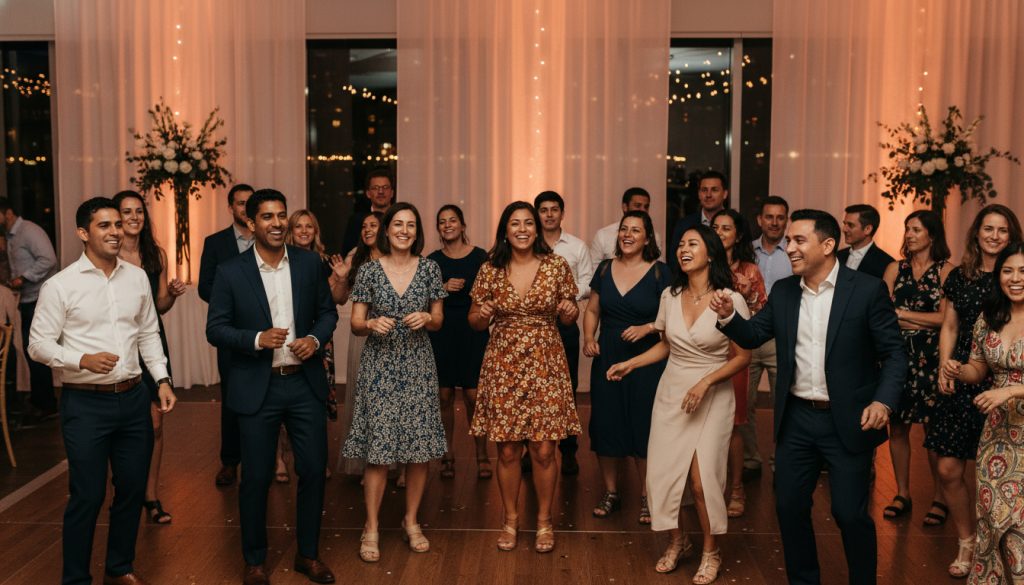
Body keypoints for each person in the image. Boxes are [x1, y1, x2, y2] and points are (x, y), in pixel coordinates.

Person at [710, 209, 906, 585]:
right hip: (797, 418)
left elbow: (894, 353)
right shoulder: (784, 292)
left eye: (799, 240)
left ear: (828, 245)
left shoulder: (865, 290)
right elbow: (751, 336)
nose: (789, 248)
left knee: (850, 513)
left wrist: (883, 402)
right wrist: (727, 317)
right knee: (789, 506)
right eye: (788, 242)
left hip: (848, 418)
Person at [29, 197, 177, 585]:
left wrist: (161, 380)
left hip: (132, 399)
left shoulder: (137, 277)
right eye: (104, 226)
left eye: (117, 224)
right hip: (85, 405)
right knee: (88, 495)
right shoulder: (60, 286)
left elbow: (148, 334)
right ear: (83, 233)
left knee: (130, 490)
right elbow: (38, 345)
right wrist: (81, 360)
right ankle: (76, 579)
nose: (115, 231)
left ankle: (120, 566)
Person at [206, 189, 339, 585]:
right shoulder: (231, 271)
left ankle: (308, 556)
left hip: (303, 383)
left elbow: (328, 313)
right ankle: (255, 561)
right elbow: (215, 329)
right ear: (251, 224)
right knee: (257, 477)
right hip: (257, 387)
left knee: (314, 470)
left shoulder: (308, 264)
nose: (278, 223)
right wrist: (255, 339)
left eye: (282, 215)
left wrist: (314, 340)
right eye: (267, 217)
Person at [607, 224, 749, 584]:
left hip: (711, 394)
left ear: (711, 253)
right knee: (664, 475)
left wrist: (705, 382)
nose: (684, 249)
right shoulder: (671, 295)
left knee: (703, 484)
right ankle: (678, 540)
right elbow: (669, 344)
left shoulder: (730, 298)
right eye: (680, 245)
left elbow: (742, 356)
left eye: (693, 244)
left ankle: (710, 550)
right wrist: (632, 363)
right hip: (672, 392)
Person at [469, 201, 581, 554]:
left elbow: (570, 315)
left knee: (545, 449)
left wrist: (569, 310)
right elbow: (473, 320)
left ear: (537, 229)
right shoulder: (490, 269)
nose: (522, 229)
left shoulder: (556, 266)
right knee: (507, 449)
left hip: (546, 362)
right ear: (505, 230)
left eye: (528, 223)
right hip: (503, 364)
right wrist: (482, 313)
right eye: (514, 223)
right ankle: (511, 520)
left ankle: (545, 521)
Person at [343, 202, 447, 563]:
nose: (404, 230)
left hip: (418, 365)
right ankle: (370, 526)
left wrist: (426, 318)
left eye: (411, 225)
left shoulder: (431, 268)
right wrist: (371, 324)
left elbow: (438, 319)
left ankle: (411, 520)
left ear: (417, 233)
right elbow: (355, 322)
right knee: (379, 451)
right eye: (398, 224)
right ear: (386, 231)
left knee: (418, 451)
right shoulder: (370, 271)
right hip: (380, 367)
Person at [933, 204, 1021, 577]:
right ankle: (973, 546)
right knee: (977, 489)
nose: (1014, 278)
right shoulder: (987, 311)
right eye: (988, 228)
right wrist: (951, 366)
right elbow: (955, 333)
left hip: (1005, 399)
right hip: (987, 401)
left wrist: (1010, 390)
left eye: (1003, 230)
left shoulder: (1011, 278)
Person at [582, 210, 667, 525]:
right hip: (608, 357)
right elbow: (592, 310)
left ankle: (648, 495)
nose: (628, 235)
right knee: (606, 423)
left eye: (636, 230)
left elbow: (671, 321)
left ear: (648, 238)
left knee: (645, 426)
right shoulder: (604, 270)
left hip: (647, 359)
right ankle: (611, 492)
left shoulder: (661, 274)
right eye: (623, 229)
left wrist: (647, 328)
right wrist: (589, 336)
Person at [112, 191, 187, 526]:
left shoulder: (153, 253)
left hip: (152, 343)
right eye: (126, 211)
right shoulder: (106, 252)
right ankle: (125, 487)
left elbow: (157, 309)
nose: (133, 217)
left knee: (156, 424)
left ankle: (151, 496)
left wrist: (169, 295)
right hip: (117, 345)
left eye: (138, 211)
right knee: (123, 422)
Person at [878, 210, 952, 524]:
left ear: (932, 235)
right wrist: (903, 316)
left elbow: (944, 320)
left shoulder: (947, 272)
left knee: (932, 430)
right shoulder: (895, 268)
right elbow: (881, 312)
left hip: (933, 358)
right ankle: (902, 492)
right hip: (897, 356)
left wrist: (903, 315)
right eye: (908, 229)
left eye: (916, 230)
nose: (909, 234)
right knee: (897, 427)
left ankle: (940, 497)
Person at [273, 209, 348, 483]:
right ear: (290, 231)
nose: (304, 231)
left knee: (317, 400)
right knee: (281, 399)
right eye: (298, 227)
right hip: (287, 337)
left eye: (309, 227)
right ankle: (281, 459)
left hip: (319, 341)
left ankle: (317, 461)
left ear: (316, 232)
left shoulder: (325, 262)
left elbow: (336, 302)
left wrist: (340, 278)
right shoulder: (279, 259)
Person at [427, 204, 492, 480]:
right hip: (441, 330)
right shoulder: (431, 261)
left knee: (473, 396)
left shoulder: (480, 257)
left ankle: (482, 454)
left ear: (463, 226)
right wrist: (441, 288)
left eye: (452, 220)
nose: (447, 225)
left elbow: (491, 291)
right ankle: (447, 455)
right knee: (443, 396)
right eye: (442, 222)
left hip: (472, 329)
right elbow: (420, 299)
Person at [198, 182, 255, 488]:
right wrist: (234, 303)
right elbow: (206, 285)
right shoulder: (216, 242)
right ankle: (230, 461)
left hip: (266, 331)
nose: (244, 208)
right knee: (232, 397)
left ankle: (264, 460)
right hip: (231, 331)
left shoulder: (269, 240)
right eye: (240, 203)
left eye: (249, 203)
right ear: (231, 207)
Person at [711, 208, 766, 519]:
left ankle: (736, 489)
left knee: (733, 424)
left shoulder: (749, 271)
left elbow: (762, 319)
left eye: (726, 228)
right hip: (703, 352)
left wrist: (748, 296)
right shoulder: (703, 266)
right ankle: (707, 486)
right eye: (715, 227)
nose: (720, 232)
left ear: (738, 235)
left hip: (735, 353)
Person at [535, 190, 593, 475]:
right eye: (543, 209)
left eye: (553, 209)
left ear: (562, 213)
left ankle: (568, 451)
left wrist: (566, 296)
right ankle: (528, 450)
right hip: (531, 326)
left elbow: (588, 283)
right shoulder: (525, 244)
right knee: (531, 389)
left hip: (564, 322)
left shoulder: (577, 246)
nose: (548, 214)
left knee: (566, 389)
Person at [740, 195, 792, 476]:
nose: (774, 222)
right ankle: (750, 459)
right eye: (769, 217)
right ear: (759, 220)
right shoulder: (746, 253)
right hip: (748, 335)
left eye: (780, 217)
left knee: (782, 402)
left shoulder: (795, 253)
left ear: (787, 220)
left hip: (780, 338)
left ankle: (780, 460)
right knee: (743, 402)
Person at [1, 197, 59, 424]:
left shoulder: (29, 230)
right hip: (26, 299)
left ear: (7, 213)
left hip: (39, 298)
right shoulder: (11, 236)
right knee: (29, 350)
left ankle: (46, 404)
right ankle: (39, 401)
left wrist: (24, 278)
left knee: (36, 351)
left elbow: (49, 259)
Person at [336, 211, 383, 477]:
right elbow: (340, 299)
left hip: (391, 334)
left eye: (373, 225)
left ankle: (397, 464)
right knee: (364, 400)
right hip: (363, 334)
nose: (367, 229)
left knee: (391, 400)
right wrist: (343, 278)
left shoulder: (396, 255)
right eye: (363, 225)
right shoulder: (356, 257)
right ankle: (368, 464)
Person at [589, 187, 665, 271]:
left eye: (646, 207)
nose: (643, 210)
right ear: (625, 207)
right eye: (638, 206)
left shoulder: (654, 235)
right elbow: (593, 270)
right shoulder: (603, 234)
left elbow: (658, 268)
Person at [669, 171, 729, 277]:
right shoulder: (684, 225)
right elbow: (674, 262)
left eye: (714, 190)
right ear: (698, 194)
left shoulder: (735, 223)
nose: (708, 195)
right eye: (704, 190)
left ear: (724, 194)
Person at [340, 167, 395, 256]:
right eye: (375, 188)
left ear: (392, 192)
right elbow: (347, 253)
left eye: (385, 187)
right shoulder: (356, 220)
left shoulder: (399, 218)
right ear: (368, 193)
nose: (380, 191)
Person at [836, 203, 895, 279]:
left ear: (868, 229)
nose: (844, 229)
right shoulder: (837, 256)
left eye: (850, 225)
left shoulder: (886, 263)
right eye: (845, 224)